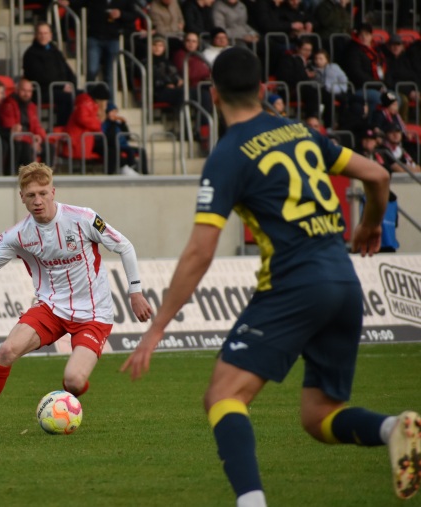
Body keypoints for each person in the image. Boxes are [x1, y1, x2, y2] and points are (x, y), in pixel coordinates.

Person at [121, 46, 421, 506]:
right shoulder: (301, 132)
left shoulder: (228, 154)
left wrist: (156, 328)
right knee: (319, 415)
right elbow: (378, 174)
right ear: (264, 89)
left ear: (214, 95)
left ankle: (251, 502)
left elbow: (200, 251)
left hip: (294, 284)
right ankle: (392, 429)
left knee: (222, 395)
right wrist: (368, 225)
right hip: (345, 283)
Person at [0, 162, 153, 435]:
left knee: (74, 381)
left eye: (43, 193)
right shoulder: (18, 235)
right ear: (22, 198)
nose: (38, 201)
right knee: (6, 351)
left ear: (53, 192)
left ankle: (70, 396)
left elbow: (124, 245)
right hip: (50, 308)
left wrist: (134, 291)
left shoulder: (83, 218)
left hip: (94, 314)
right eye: (31, 195)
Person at [22, 21, 77, 127]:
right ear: (36, 35)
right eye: (40, 33)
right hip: (42, 91)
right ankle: (62, 129)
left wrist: (71, 84)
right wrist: (62, 87)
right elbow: (40, 77)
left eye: (45, 33)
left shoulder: (55, 51)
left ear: (50, 35)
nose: (43, 36)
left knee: (84, 95)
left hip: (60, 88)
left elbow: (68, 71)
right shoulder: (30, 54)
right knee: (67, 98)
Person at [0, 78, 47, 167]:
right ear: (17, 90)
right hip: (17, 139)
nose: (26, 94)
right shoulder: (8, 104)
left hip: (29, 138)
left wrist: (40, 137)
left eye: (29, 91)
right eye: (23, 90)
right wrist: (31, 140)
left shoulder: (32, 106)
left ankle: (45, 176)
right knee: (26, 147)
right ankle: (27, 177)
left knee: (48, 147)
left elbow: (36, 126)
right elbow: (13, 130)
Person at [99, 102, 146, 175]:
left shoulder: (118, 124)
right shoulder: (106, 124)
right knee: (130, 151)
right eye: (112, 112)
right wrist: (112, 123)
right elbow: (108, 136)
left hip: (124, 145)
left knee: (142, 151)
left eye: (115, 112)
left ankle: (145, 172)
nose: (114, 114)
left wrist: (123, 124)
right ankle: (132, 168)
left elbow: (127, 135)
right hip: (115, 146)